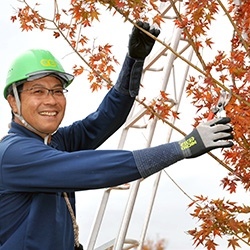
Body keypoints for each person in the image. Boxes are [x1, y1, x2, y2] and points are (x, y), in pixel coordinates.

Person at [0, 21, 233, 250]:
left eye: (58, 91)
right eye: (38, 91)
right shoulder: (14, 154)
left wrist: (134, 61)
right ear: (13, 100)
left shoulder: (55, 142)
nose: (51, 100)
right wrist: (184, 147)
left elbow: (106, 118)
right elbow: (95, 169)